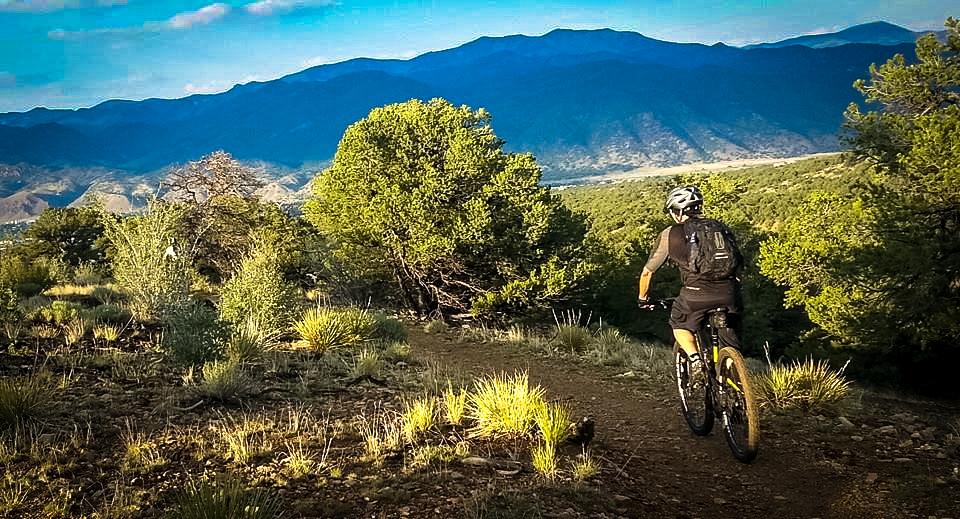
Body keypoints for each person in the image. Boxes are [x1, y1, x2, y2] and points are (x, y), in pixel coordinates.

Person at [636, 186, 742, 373]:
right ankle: (733, 378)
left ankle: (695, 359)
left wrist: (643, 299)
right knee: (729, 337)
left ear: (677, 212)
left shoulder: (671, 234)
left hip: (695, 294)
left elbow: (647, 272)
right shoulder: (719, 227)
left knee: (679, 324)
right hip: (729, 292)